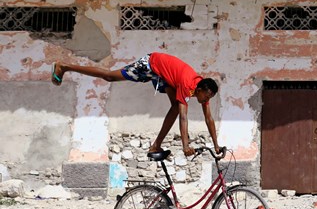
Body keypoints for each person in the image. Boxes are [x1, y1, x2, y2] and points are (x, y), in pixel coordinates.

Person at [51, 53, 221, 157]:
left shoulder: (202, 90)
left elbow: (209, 119)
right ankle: (64, 66)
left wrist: (216, 146)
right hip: (151, 64)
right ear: (199, 90)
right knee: (110, 76)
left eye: (209, 98)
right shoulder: (187, 84)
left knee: (176, 107)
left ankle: (155, 146)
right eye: (206, 96)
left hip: (165, 76)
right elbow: (184, 118)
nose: (206, 100)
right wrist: (186, 146)